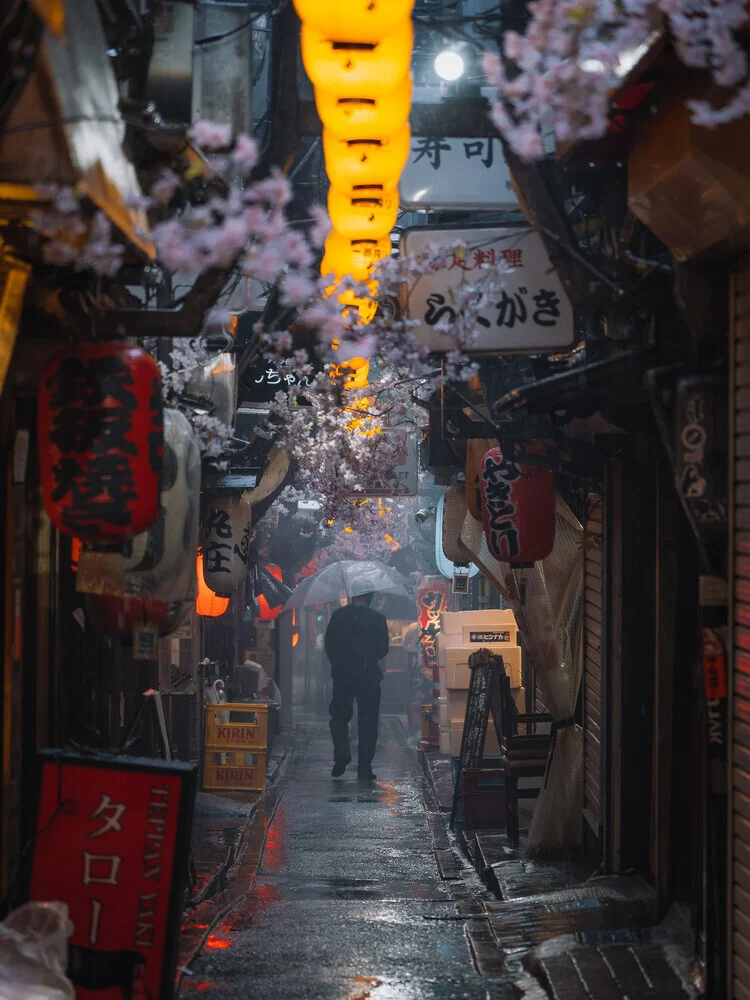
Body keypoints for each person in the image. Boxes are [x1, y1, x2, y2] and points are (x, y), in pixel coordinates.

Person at [324, 591, 389, 780]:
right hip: (368, 676)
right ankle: (364, 767)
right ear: (369, 598)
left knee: (339, 717)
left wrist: (339, 663)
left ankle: (342, 755)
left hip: (343, 676)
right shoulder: (377, 618)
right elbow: (383, 649)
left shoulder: (338, 616)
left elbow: (329, 645)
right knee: (368, 722)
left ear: (352, 596)